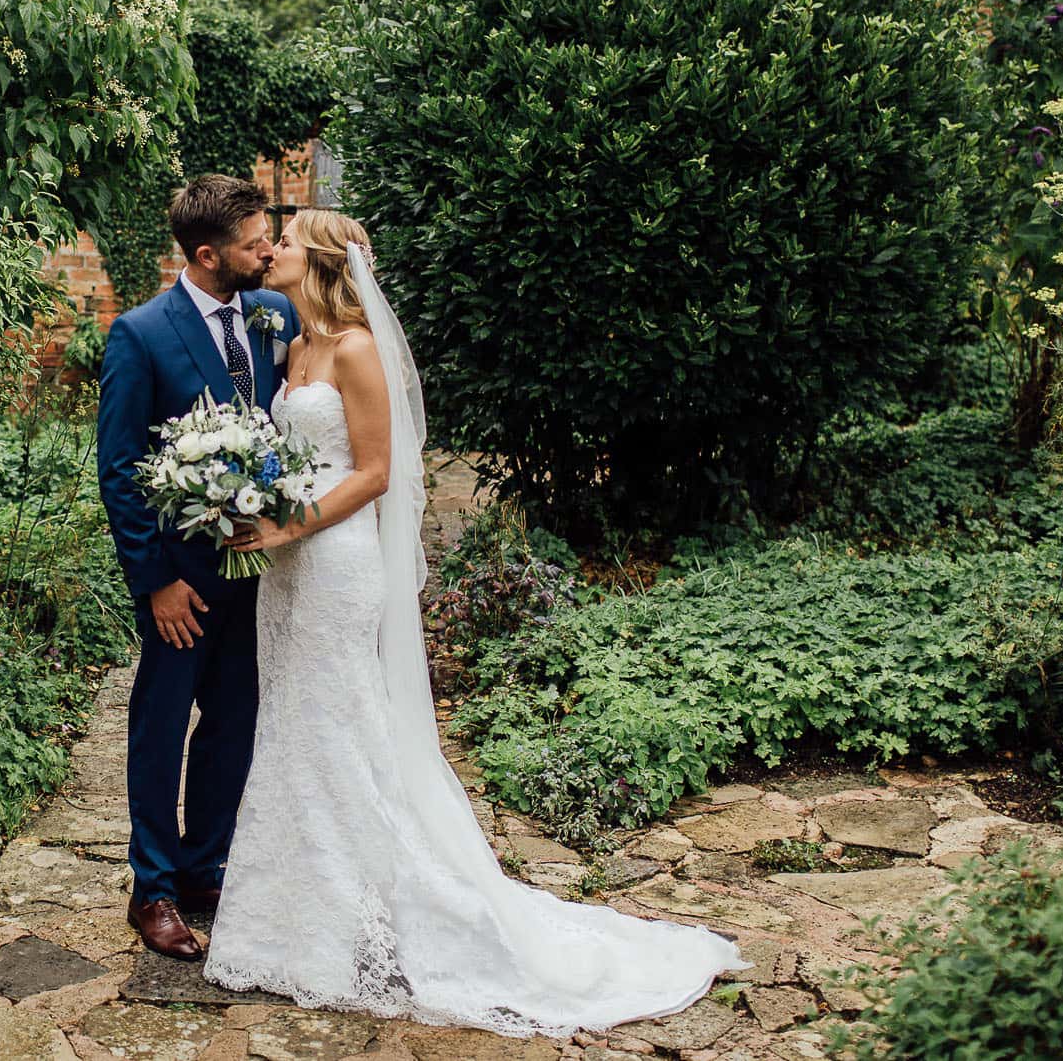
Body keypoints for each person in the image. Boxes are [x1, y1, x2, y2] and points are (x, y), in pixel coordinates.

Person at [202, 208, 749, 1036]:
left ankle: (369, 914)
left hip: (337, 558)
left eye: (284, 240)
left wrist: (288, 523)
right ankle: (297, 914)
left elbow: (378, 472)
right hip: (288, 570)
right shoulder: (292, 344)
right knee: (297, 728)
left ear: (314, 259)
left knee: (339, 726)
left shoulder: (352, 347)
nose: (269, 250)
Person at [94, 174, 300, 960]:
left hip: (259, 575)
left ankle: (204, 864)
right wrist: (155, 581)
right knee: (160, 727)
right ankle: (152, 888)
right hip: (181, 580)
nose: (268, 252)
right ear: (209, 255)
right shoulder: (141, 335)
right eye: (255, 244)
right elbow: (119, 468)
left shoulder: (273, 316)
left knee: (234, 724)